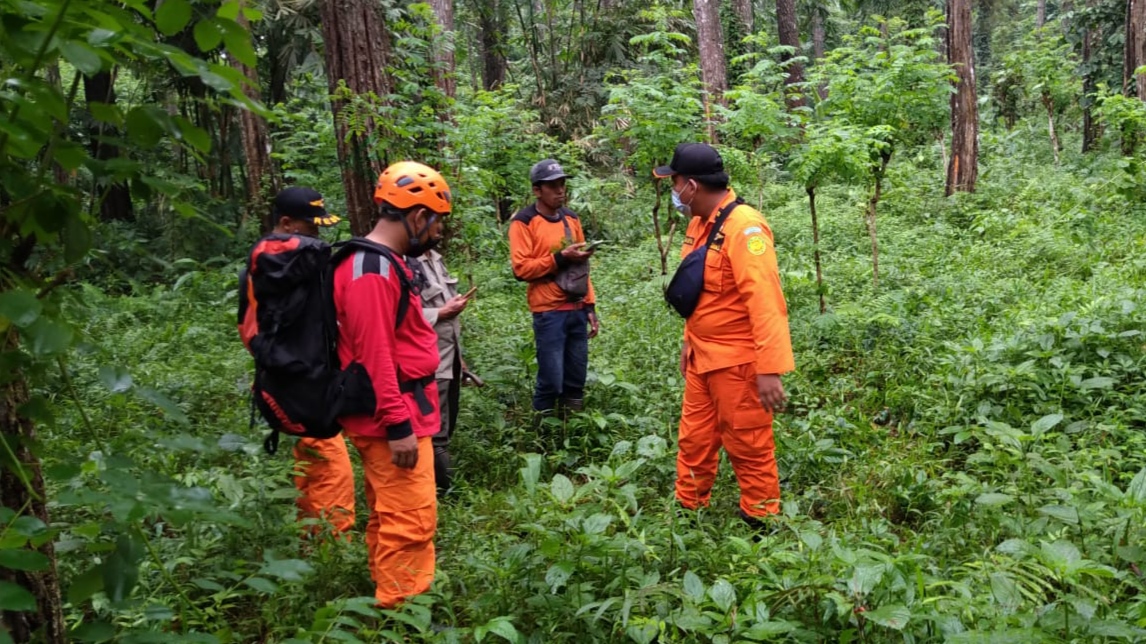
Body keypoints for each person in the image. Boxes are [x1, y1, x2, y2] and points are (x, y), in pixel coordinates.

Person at [653, 143, 795, 527]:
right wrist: (688, 338)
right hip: (702, 356)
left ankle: (760, 522)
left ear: (692, 185)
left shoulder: (744, 228)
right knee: (694, 439)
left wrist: (769, 369)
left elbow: (765, 301)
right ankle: (688, 512)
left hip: (738, 363)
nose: (674, 191)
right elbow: (699, 290)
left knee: (748, 444)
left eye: (676, 182)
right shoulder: (699, 223)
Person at [331, 161, 449, 607]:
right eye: (436, 223)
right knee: (410, 517)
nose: (437, 232)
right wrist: (399, 424)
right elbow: (375, 353)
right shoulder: (372, 272)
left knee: (389, 512)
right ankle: (405, 612)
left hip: (397, 410)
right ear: (418, 217)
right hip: (391, 418)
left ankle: (390, 593)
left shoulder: (381, 264)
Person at [238, 186, 355, 537]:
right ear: (286, 223)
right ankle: (331, 545)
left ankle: (315, 536)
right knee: (332, 467)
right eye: (311, 228)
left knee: (315, 462)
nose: (317, 237)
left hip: (308, 374)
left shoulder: (295, 268)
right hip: (297, 380)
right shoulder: (272, 257)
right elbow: (279, 251)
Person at [508, 159, 600, 418]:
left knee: (576, 378)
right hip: (549, 312)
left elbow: (582, 267)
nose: (560, 190)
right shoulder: (524, 223)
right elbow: (521, 269)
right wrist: (559, 258)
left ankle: (571, 430)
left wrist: (590, 305)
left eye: (562, 184)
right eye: (553, 186)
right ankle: (542, 437)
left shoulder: (571, 219)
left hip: (577, 309)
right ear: (537, 190)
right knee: (551, 379)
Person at [407, 249, 481, 497]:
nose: (440, 228)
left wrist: (461, 361)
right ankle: (447, 494)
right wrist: (440, 313)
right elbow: (402, 315)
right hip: (429, 363)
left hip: (449, 358)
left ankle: (438, 488)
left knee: (445, 428)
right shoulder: (405, 263)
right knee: (434, 433)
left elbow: (448, 318)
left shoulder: (435, 259)